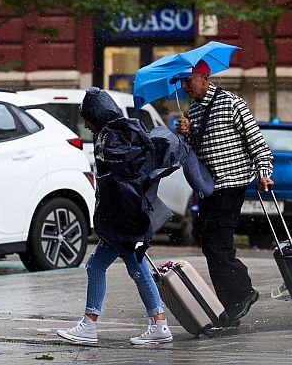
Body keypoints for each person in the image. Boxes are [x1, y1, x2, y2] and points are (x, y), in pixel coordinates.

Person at [56, 87, 178, 346]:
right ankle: (157, 323)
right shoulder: (118, 133)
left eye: (88, 118)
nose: (86, 124)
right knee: (132, 268)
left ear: (97, 115)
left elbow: (119, 185)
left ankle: (92, 326)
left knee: (103, 266)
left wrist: (117, 222)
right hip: (127, 218)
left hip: (123, 220)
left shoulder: (112, 138)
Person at [174, 59, 274, 325]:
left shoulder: (232, 103)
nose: (184, 87)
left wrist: (264, 173)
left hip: (231, 183)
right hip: (209, 187)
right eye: (182, 82)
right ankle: (231, 305)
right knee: (210, 243)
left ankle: (243, 292)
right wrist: (185, 134)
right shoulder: (193, 111)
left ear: (205, 79)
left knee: (216, 242)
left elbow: (257, 142)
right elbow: (195, 151)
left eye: (189, 81)